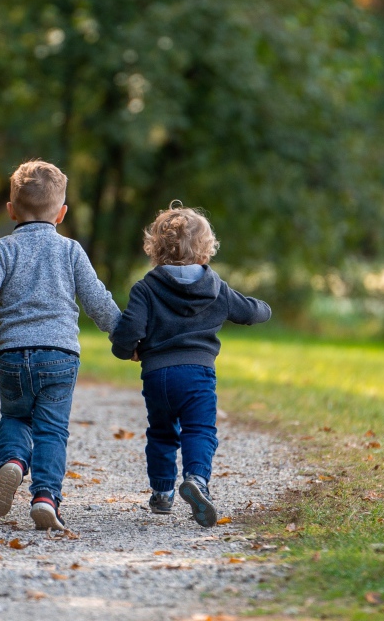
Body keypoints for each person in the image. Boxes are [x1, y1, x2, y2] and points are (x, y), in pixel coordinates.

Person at [0, 160, 120, 531]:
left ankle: (14, 462)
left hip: (12, 356)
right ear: (62, 213)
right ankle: (45, 498)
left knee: (15, 417)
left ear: (10, 210)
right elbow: (97, 300)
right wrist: (125, 336)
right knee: (51, 430)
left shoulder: (2, 250)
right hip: (60, 356)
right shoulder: (71, 251)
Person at [110, 203, 271, 527]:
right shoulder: (215, 288)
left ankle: (162, 493)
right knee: (199, 430)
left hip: (157, 377)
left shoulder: (146, 287)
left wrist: (126, 351)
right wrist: (266, 308)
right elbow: (251, 312)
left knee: (161, 432)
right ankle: (197, 480)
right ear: (205, 252)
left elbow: (130, 330)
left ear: (156, 250)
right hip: (198, 376)